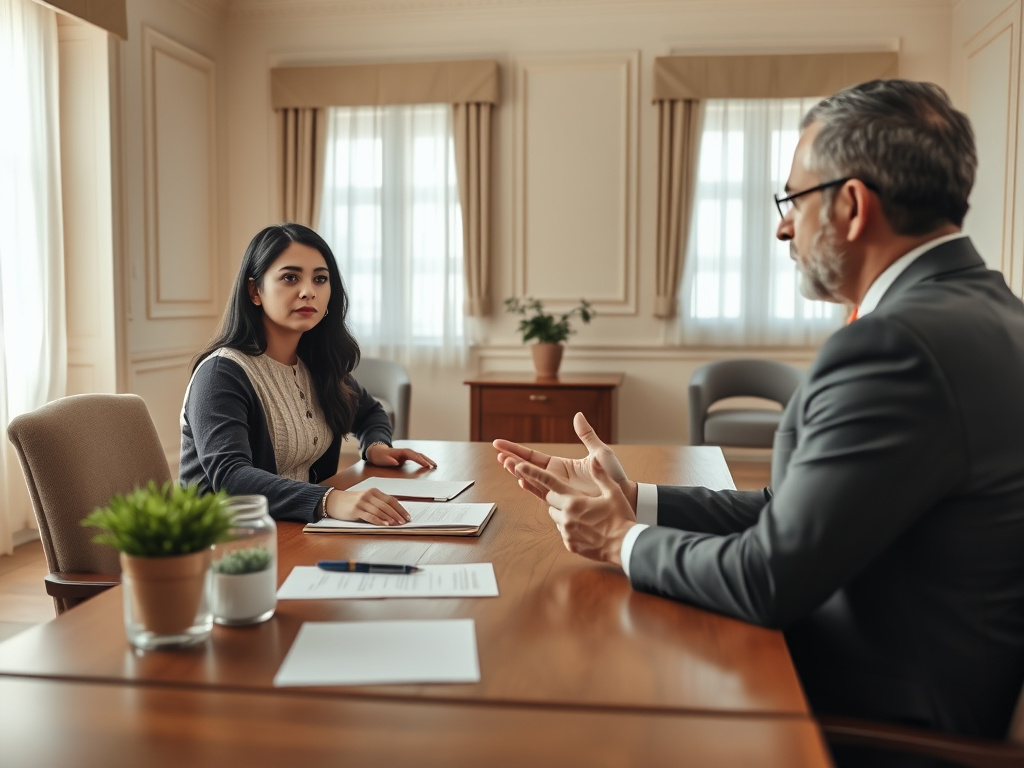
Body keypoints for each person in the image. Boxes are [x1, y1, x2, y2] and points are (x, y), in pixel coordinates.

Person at [494, 80, 1024, 765]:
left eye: (793, 201)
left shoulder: (895, 346)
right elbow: (794, 514)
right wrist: (637, 502)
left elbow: (769, 578)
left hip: (877, 719)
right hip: (921, 670)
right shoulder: (990, 313)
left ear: (853, 205)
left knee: (570, 695)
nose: (782, 227)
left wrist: (618, 541)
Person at [180, 222, 435, 525]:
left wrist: (376, 446)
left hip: (298, 529)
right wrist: (330, 500)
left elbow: (370, 412)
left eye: (320, 279)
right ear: (255, 290)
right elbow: (232, 479)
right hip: (223, 543)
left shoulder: (315, 364)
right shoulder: (222, 373)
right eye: (290, 277)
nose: (308, 291)